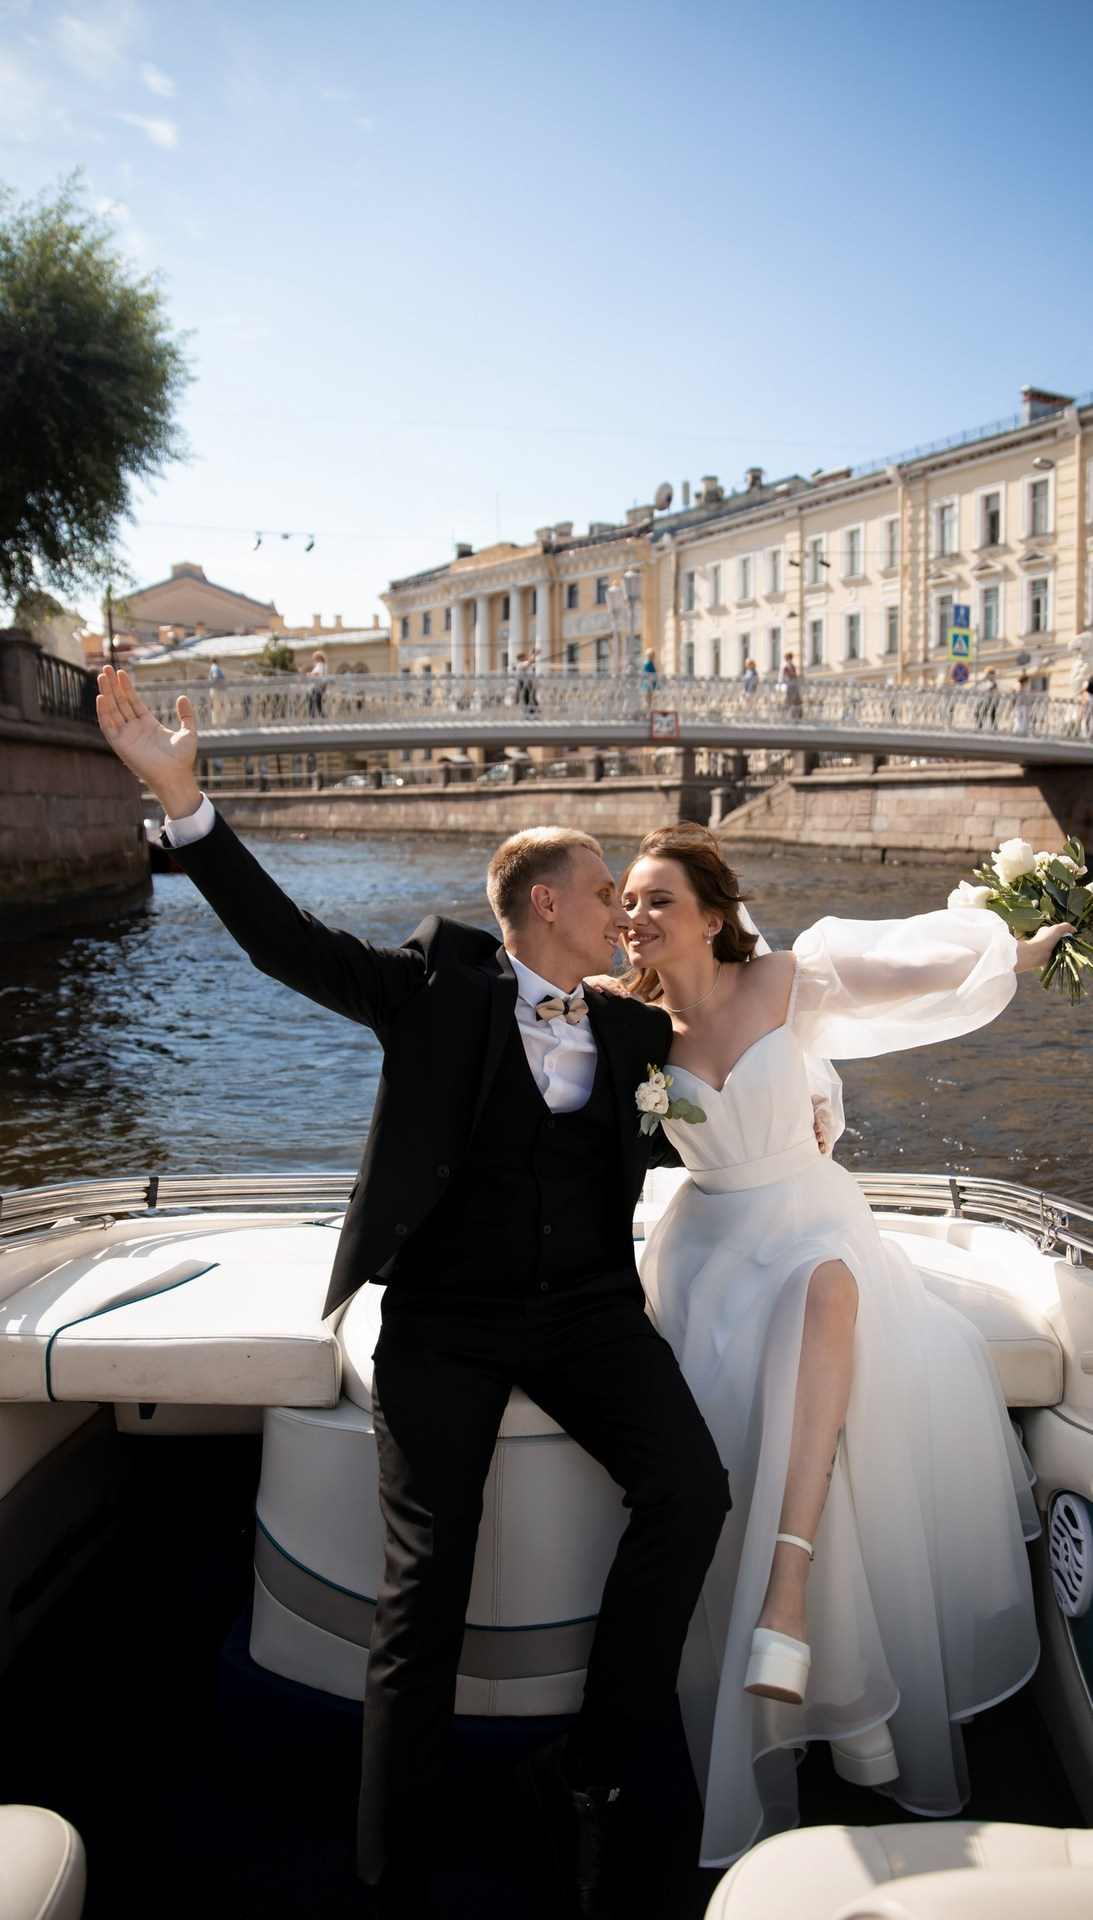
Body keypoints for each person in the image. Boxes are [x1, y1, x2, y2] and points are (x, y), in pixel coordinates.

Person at [92, 668, 730, 1920]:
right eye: (606, 889)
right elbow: (285, 942)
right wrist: (183, 802)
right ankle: (393, 1878)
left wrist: (791, 1118)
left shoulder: (632, 1034)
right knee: (424, 1588)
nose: (623, 909)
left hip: (590, 1313)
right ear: (545, 904)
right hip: (444, 1321)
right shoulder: (434, 986)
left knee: (690, 1489)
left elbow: (698, 1099)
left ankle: (585, 1775)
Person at [615, 823, 1068, 1868]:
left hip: (811, 1224)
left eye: (656, 899)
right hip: (707, 1254)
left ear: (714, 917)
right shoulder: (623, 1023)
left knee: (825, 1291)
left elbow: (910, 961)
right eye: (626, 902)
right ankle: (842, 1705)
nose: (634, 917)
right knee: (761, 1401)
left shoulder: (787, 979)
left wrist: (1017, 946)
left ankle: (794, 1604)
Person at [306, 649, 327, 718]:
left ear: (319, 658)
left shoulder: (320, 665)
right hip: (319, 687)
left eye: (315, 658)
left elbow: (317, 673)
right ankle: (321, 717)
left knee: (311, 702)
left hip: (316, 687)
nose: (314, 660)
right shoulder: (323, 665)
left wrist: (309, 674)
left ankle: (311, 718)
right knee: (318, 704)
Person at [1012, 673, 1033, 737]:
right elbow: (1019, 694)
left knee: (1021, 718)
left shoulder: (1022, 686)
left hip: (1021, 704)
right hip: (1019, 704)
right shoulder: (1018, 685)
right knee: (1018, 718)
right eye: (1027, 681)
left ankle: (1021, 730)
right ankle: (1018, 730)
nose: (1027, 683)